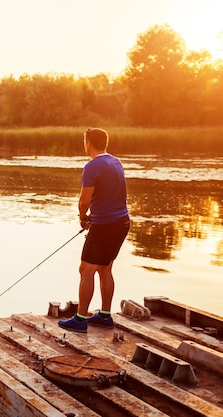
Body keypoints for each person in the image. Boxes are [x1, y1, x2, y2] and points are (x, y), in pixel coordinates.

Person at [58, 128, 130, 333]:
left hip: (105, 225)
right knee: (105, 268)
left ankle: (80, 319)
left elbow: (84, 201)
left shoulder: (92, 166)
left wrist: (83, 218)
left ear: (88, 142)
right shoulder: (116, 161)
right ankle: (105, 316)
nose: (84, 144)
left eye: (84, 140)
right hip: (122, 223)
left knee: (86, 269)